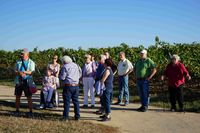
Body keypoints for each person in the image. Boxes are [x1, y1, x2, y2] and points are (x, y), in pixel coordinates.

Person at [59, 55, 82, 121]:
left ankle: (65, 117)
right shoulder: (77, 65)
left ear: (64, 61)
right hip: (76, 85)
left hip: (68, 86)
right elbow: (80, 74)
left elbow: (62, 77)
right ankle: (77, 116)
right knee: (76, 101)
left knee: (67, 102)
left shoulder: (65, 67)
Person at [14, 48, 35, 117]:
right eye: (21, 54)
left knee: (29, 97)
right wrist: (19, 73)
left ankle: (31, 111)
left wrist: (23, 72)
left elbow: (32, 72)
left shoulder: (31, 62)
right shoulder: (18, 62)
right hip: (19, 81)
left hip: (27, 81)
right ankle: (17, 110)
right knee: (17, 96)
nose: (21, 55)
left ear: (27, 54)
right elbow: (15, 71)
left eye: (23, 54)